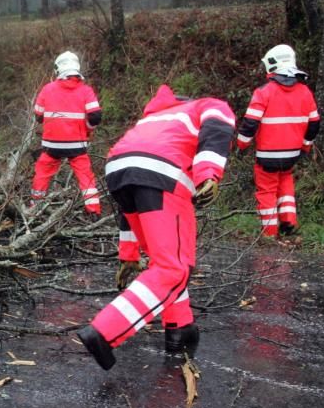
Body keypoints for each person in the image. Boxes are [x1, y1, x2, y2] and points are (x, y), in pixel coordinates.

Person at [77, 85, 236, 370]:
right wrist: (208, 173)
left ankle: (180, 328)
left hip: (119, 170)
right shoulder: (206, 105)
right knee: (174, 268)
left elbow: (129, 210)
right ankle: (104, 332)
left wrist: (129, 254)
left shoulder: (150, 121)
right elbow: (218, 126)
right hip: (163, 172)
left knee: (164, 262)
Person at [236, 44, 320, 238]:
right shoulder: (305, 92)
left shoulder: (264, 92)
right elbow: (315, 124)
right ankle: (289, 221)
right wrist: (305, 146)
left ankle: (269, 233)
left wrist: (241, 145)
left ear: (272, 65)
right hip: (292, 153)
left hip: (267, 154)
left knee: (266, 191)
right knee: (286, 183)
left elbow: (250, 124)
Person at [29, 51, 103, 215]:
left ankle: (34, 208)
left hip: (51, 144)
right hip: (77, 144)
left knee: (42, 174)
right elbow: (96, 116)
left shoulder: (47, 89)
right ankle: (94, 211)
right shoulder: (86, 91)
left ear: (58, 69)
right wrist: (88, 129)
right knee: (85, 177)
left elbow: (38, 116)